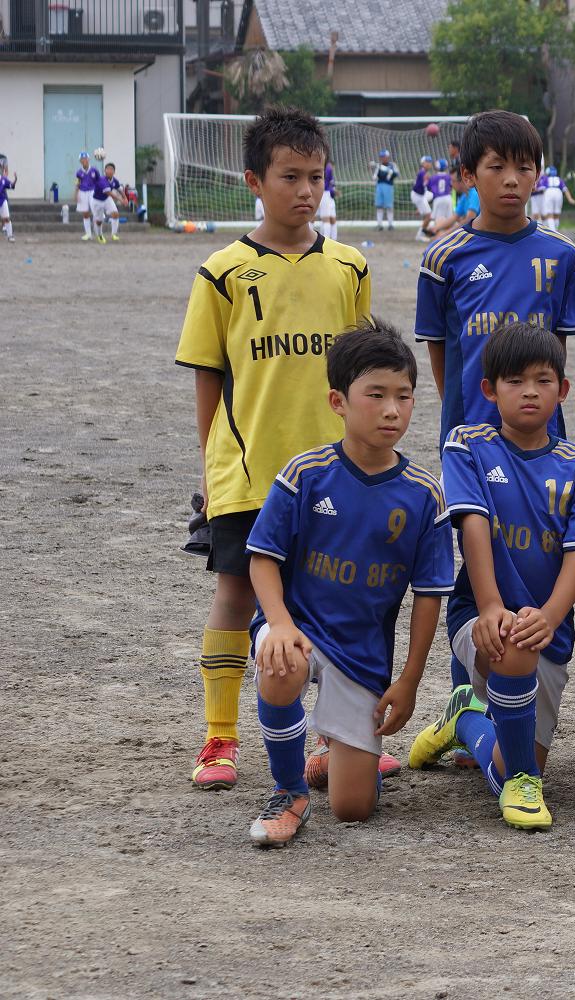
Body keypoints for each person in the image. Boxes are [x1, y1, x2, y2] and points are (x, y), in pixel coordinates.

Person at [174, 106, 372, 792]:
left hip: (332, 478)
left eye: (316, 177)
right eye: (290, 176)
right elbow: (208, 378)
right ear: (254, 180)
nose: (306, 191)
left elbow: (364, 375)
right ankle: (219, 739)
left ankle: (332, 739)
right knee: (234, 596)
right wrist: (209, 470)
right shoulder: (223, 272)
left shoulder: (349, 267)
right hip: (249, 475)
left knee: (331, 604)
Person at [245, 319, 453, 846]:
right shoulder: (306, 474)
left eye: (404, 396)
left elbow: (428, 596)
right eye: (376, 395)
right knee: (282, 660)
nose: (391, 409)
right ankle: (288, 790)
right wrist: (279, 624)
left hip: (362, 655)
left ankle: (330, 755)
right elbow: (262, 559)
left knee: (354, 809)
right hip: (300, 628)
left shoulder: (425, 495)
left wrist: (407, 679)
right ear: (338, 401)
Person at [407, 324, 575, 830]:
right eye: (515, 381)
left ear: (562, 391)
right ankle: (520, 783)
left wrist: (553, 616)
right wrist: (491, 605)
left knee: (517, 743)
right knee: (521, 763)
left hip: (548, 628)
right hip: (479, 614)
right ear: (489, 389)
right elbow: (472, 525)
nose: (531, 392)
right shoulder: (467, 445)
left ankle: (465, 719)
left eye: (543, 380)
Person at [415, 110, 575, 450]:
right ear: (468, 174)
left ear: (536, 175)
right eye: (497, 166)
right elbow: (439, 347)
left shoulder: (562, 254)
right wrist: (458, 407)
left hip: (542, 435)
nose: (511, 179)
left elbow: (557, 346)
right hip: (469, 434)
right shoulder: (443, 257)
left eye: (523, 167)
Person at [425, 167, 478, 240]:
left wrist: (446, 234)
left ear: (463, 180)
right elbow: (455, 217)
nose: (451, 184)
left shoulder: (474, 194)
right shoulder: (465, 195)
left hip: (476, 235)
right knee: (439, 221)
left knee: (440, 234)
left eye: (453, 181)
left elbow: (469, 220)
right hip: (470, 232)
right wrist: (435, 228)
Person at [90, 161, 124, 243]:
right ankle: (100, 235)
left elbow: (119, 189)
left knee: (115, 214)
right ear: (105, 171)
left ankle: (114, 235)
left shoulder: (114, 180)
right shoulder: (102, 180)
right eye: (108, 169)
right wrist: (120, 200)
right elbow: (109, 193)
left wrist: (125, 198)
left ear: (114, 172)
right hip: (96, 201)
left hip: (106, 199)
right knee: (99, 221)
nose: (109, 171)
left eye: (111, 169)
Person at [539, 166, 575, 231]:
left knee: (549, 214)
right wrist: (570, 199)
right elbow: (565, 189)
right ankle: (556, 231)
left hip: (549, 192)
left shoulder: (545, 179)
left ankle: (553, 232)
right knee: (556, 214)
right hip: (558, 193)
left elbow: (542, 189)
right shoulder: (559, 179)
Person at [372, 149, 399, 231]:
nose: (383, 158)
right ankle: (379, 225)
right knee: (379, 206)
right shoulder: (378, 166)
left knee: (389, 206)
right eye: (382, 157)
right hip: (379, 187)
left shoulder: (392, 165)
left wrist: (390, 172)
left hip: (388, 187)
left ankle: (390, 224)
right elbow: (374, 177)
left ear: (388, 157)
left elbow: (396, 174)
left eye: (385, 157)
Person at [75, 151, 99, 242]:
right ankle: (88, 234)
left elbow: (99, 182)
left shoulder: (94, 170)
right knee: (85, 213)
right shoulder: (78, 172)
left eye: (85, 158)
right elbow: (77, 183)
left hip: (93, 192)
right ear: (80, 161)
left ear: (89, 159)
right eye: (82, 159)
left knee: (96, 212)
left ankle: (98, 233)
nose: (84, 160)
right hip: (82, 192)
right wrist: (76, 194)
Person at [412, 155, 435, 241]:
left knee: (433, 195)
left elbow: (427, 187)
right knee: (429, 216)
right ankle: (419, 235)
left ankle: (420, 210)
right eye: (427, 162)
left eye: (430, 162)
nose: (429, 164)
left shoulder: (424, 173)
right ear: (422, 163)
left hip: (420, 196)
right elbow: (419, 187)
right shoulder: (422, 173)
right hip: (418, 196)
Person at [428, 159, 454, 227]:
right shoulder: (449, 176)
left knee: (436, 220)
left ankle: (435, 234)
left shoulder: (433, 177)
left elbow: (429, 188)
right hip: (448, 198)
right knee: (449, 219)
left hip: (438, 198)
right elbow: (451, 186)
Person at [318, 159, 338, 241]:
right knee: (330, 218)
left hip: (325, 194)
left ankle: (326, 240)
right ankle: (332, 239)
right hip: (326, 194)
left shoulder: (326, 168)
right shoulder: (327, 168)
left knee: (325, 218)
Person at [1, 159, 16, 242]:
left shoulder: (3, 179)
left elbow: (12, 185)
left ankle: (10, 235)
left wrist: (15, 179)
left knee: (6, 218)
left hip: (2, 201)